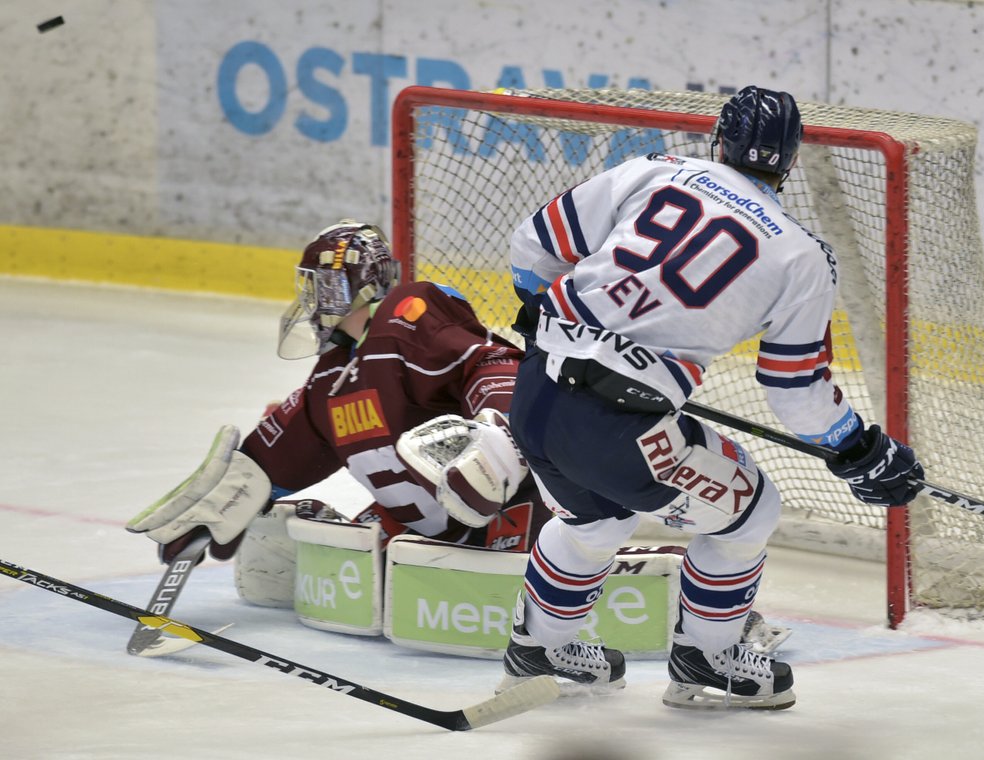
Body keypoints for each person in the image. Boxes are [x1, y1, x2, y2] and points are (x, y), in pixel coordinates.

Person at [500, 85, 925, 709]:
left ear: (717, 141)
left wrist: (553, 313)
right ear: (790, 161)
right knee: (751, 511)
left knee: (597, 517)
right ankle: (708, 656)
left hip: (533, 396)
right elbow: (795, 391)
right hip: (620, 433)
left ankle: (537, 646)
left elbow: (532, 248)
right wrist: (859, 448)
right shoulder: (802, 256)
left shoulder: (656, 170)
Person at [126, 220, 550, 584]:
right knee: (315, 546)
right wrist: (220, 505)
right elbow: (276, 458)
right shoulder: (331, 380)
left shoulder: (407, 317)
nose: (311, 299)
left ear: (348, 284)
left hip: (515, 513)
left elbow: (489, 361)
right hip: (429, 536)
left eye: (318, 284)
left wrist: (498, 427)